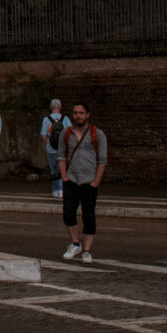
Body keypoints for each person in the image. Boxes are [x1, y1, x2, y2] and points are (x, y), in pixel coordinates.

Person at [58, 102, 106, 263]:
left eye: (81, 113)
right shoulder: (66, 133)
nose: (78, 115)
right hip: (71, 179)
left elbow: (102, 160)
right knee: (68, 213)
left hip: (89, 180)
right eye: (75, 112)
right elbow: (61, 156)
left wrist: (96, 182)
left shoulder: (97, 134)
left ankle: (86, 250)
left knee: (89, 217)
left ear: (87, 115)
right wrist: (64, 177)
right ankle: (75, 243)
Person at [39, 99, 68, 200]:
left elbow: (43, 135)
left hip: (51, 150)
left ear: (51, 107)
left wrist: (49, 144)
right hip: (62, 149)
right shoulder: (65, 119)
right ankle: (62, 191)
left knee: (53, 169)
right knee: (62, 169)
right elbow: (70, 133)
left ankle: (55, 190)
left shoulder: (46, 119)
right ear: (60, 107)